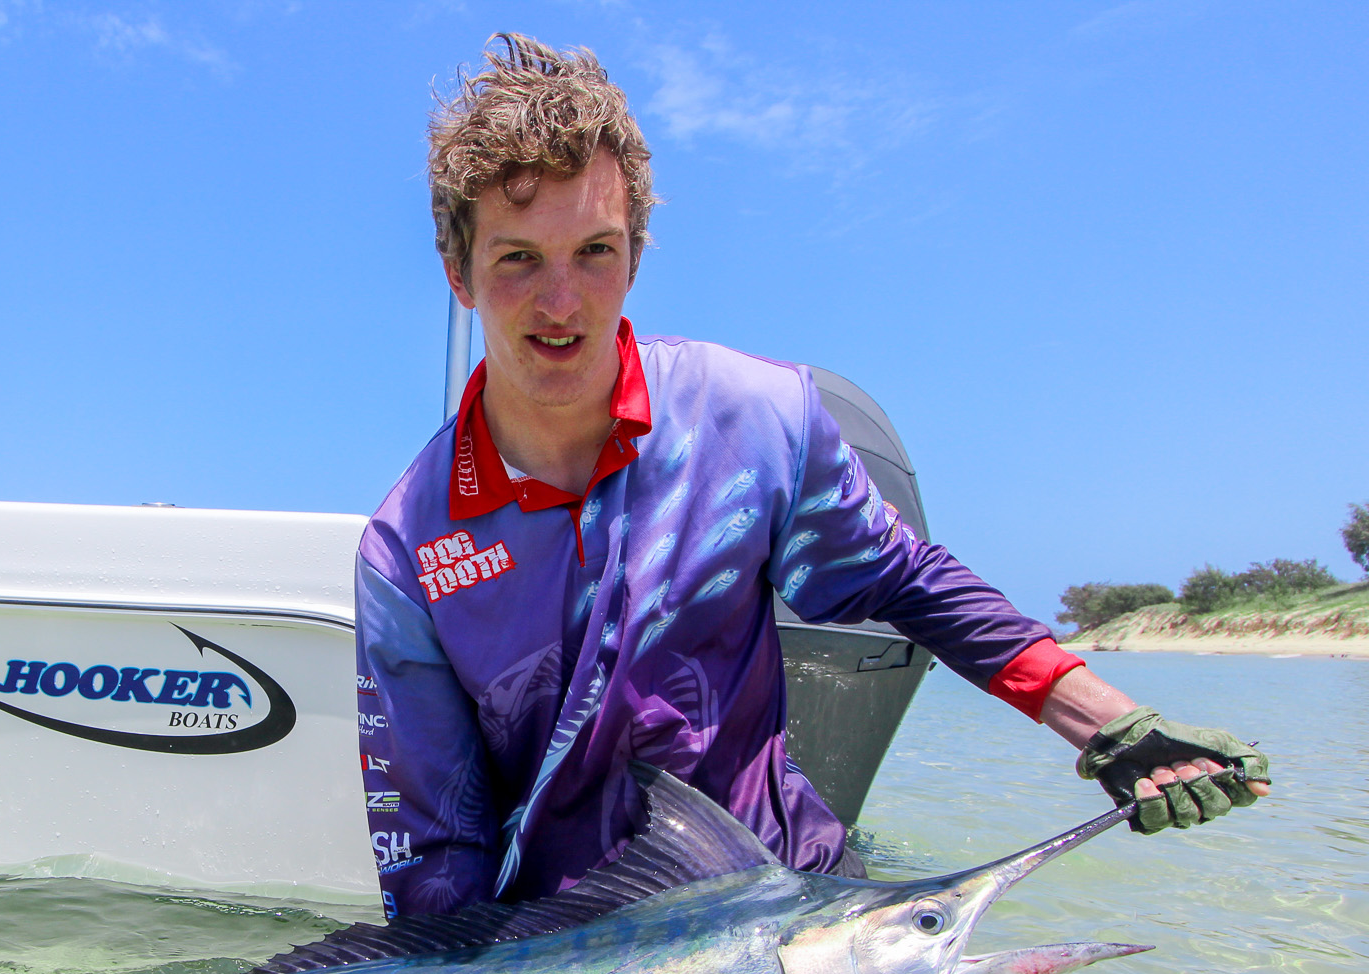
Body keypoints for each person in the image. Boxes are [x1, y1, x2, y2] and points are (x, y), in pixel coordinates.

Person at [356, 34, 1269, 919]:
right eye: (519, 258)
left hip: (791, 908)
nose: (562, 302)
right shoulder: (407, 548)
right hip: (568, 958)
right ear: (459, 273)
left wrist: (1107, 722)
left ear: (634, 254)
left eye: (594, 251)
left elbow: (905, 580)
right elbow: (438, 846)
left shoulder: (756, 417)